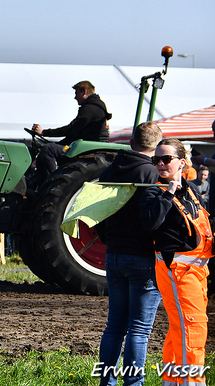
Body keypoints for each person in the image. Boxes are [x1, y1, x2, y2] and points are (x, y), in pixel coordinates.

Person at [140, 138, 212, 386]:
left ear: (182, 162)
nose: (160, 164)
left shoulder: (192, 189)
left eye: (166, 159)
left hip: (198, 273)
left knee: (179, 330)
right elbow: (150, 223)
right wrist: (169, 191)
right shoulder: (153, 191)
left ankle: (171, 382)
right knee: (193, 330)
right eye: (156, 160)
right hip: (177, 272)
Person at [95, 121, 163, 386]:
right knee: (139, 330)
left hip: (114, 254)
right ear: (157, 146)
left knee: (114, 327)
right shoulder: (153, 174)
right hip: (143, 256)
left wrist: (108, 238)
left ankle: (106, 381)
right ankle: (133, 384)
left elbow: (98, 212)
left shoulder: (110, 170)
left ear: (132, 142)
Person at [31, 80, 112, 187]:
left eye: (76, 93)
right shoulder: (95, 108)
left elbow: (71, 129)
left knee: (48, 149)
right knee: (49, 148)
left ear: (84, 92)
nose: (75, 97)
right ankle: (35, 185)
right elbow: (74, 134)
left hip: (86, 150)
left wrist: (44, 132)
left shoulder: (90, 109)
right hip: (85, 146)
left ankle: (49, 185)